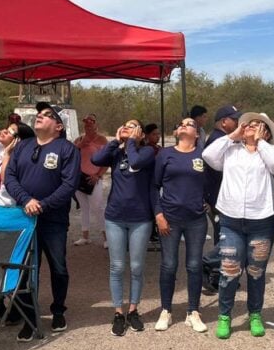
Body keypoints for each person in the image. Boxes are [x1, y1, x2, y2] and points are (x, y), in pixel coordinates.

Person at [202, 112, 274, 339]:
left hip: (262, 220)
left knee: (256, 271)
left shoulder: (271, 152)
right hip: (231, 219)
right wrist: (234, 135)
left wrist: (260, 142)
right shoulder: (231, 150)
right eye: (250, 124)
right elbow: (208, 156)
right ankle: (224, 315)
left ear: (267, 132)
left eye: (259, 125)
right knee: (229, 269)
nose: (252, 127)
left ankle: (255, 314)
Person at [3, 102, 79, 333]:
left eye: (47, 115)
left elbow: (69, 185)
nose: (39, 117)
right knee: (25, 267)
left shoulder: (67, 149)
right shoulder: (23, 146)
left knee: (58, 267)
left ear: (58, 126)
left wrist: (43, 205)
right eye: (39, 114)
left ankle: (58, 311)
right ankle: (29, 316)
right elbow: (10, 177)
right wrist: (26, 200)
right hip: (24, 217)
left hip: (53, 219)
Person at [92, 119, 157, 335]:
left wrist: (132, 142)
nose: (128, 129)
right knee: (117, 267)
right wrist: (115, 142)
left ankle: (134, 309)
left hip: (140, 218)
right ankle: (118, 312)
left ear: (140, 132)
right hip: (115, 217)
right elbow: (96, 159)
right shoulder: (117, 152)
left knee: (137, 267)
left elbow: (136, 162)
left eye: (133, 126)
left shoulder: (147, 151)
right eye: (125, 125)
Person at [152, 117, 209, 333]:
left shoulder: (202, 154)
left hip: (196, 219)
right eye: (181, 124)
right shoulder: (165, 154)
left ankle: (193, 311)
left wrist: (209, 200)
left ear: (197, 133)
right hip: (170, 218)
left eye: (190, 124)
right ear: (176, 132)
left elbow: (214, 179)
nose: (184, 125)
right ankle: (166, 310)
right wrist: (158, 214)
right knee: (168, 264)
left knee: (194, 265)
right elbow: (154, 186)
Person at [202, 105, 242, 294]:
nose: (238, 122)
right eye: (235, 119)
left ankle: (221, 274)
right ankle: (212, 271)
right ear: (224, 121)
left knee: (225, 238)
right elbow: (214, 172)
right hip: (217, 199)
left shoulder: (222, 139)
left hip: (219, 198)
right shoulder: (218, 140)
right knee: (225, 239)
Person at [72, 113, 109, 247]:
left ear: (96, 125)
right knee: (84, 207)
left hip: (94, 177)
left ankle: (106, 237)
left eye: (91, 122)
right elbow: (71, 155)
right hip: (79, 177)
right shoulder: (79, 139)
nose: (88, 125)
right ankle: (85, 236)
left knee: (98, 208)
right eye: (86, 123)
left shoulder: (102, 140)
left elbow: (107, 160)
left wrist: (98, 175)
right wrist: (80, 145)